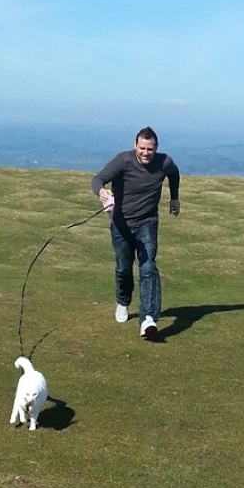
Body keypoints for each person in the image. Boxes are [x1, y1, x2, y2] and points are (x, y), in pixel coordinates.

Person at [90, 127, 180, 339]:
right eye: (142, 148)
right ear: (135, 146)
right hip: (121, 225)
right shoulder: (123, 161)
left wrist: (174, 198)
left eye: (150, 149)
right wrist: (101, 191)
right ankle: (123, 301)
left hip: (147, 223)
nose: (146, 152)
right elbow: (98, 179)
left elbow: (174, 174)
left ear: (156, 148)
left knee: (148, 267)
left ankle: (148, 319)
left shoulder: (164, 162)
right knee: (123, 268)